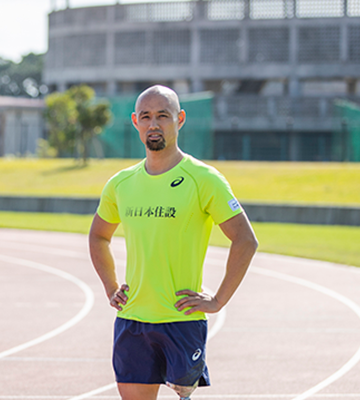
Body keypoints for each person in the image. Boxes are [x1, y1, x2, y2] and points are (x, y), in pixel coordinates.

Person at [88, 85, 259, 400]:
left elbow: (245, 240)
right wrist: (111, 287)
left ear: (179, 119)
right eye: (146, 117)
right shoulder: (120, 184)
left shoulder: (204, 179)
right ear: (135, 122)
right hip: (132, 320)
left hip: (181, 320)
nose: (154, 124)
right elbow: (99, 235)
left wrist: (218, 300)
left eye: (163, 116)